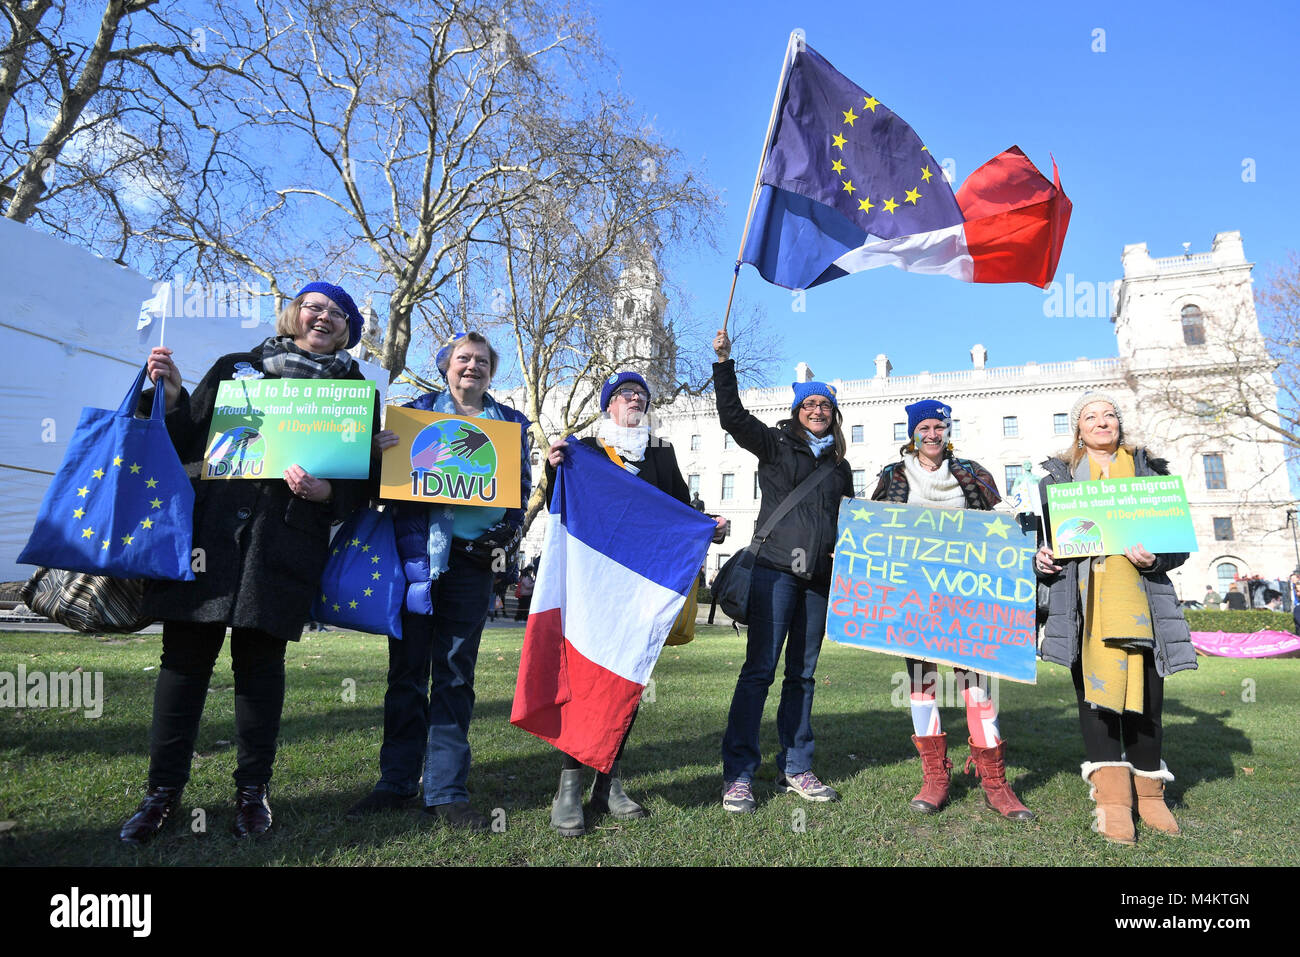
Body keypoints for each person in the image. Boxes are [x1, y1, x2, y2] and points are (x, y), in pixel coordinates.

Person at [119, 282, 377, 844]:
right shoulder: (236, 368)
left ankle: (252, 793)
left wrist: (326, 491)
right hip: (210, 537)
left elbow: (362, 489)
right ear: (294, 314)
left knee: (260, 673)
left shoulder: (357, 393)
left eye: (338, 313)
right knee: (183, 664)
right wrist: (169, 398)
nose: (323, 317)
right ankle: (160, 794)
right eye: (314, 306)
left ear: (348, 330)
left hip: (283, 545)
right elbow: (185, 438)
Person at [347, 331, 531, 831]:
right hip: (413, 559)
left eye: (482, 362)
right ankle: (396, 781)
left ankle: (446, 789)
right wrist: (376, 452)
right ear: (447, 365)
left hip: (472, 567)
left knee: (453, 674)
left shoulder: (511, 425)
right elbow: (380, 486)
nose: (472, 367)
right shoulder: (412, 414)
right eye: (463, 359)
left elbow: (519, 496)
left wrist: (492, 543)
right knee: (406, 673)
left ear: (492, 371)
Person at [542, 371, 727, 836]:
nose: (636, 401)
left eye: (642, 396)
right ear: (608, 405)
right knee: (584, 682)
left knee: (628, 679)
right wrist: (551, 465)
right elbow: (557, 500)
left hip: (640, 590)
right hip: (592, 586)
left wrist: (709, 526)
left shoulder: (661, 453)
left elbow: (681, 510)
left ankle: (608, 782)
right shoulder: (583, 449)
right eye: (627, 395)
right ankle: (568, 787)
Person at [1035, 392, 1196, 845]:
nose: (1102, 421)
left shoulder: (1152, 472)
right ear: (1078, 430)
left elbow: (1177, 547)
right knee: (1095, 704)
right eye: (1091, 417)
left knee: (1147, 702)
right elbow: (1047, 546)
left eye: (1109, 415)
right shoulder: (1057, 482)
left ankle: (1150, 797)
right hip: (1083, 605)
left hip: (1141, 605)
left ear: (1119, 425)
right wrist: (1042, 561)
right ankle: (1112, 802)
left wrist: (1153, 559)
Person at [870, 398, 1034, 821]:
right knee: (922, 681)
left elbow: (999, 519)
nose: (931, 434)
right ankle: (935, 777)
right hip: (913, 595)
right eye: (923, 428)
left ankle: (995, 781)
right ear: (912, 434)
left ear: (947, 431)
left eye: (938, 427)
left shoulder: (974, 474)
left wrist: (1007, 518)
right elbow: (872, 525)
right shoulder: (893, 476)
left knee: (976, 685)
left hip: (966, 595)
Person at [714, 330, 854, 813]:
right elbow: (732, 417)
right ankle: (738, 773)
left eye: (825, 405)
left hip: (818, 578)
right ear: (797, 411)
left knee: (804, 675)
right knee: (759, 671)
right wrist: (724, 363)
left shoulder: (840, 466)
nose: (817, 410)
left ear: (834, 415)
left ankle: (796, 766)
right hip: (775, 571)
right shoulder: (774, 446)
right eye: (809, 403)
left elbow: (850, 520)